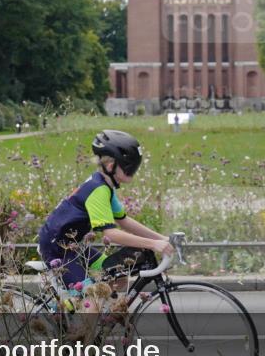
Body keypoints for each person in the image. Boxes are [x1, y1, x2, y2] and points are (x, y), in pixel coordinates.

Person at [37, 130, 172, 311]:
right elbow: (112, 234)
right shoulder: (99, 189)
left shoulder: (105, 185)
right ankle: (77, 312)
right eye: (129, 166)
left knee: (119, 278)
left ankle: (74, 305)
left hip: (74, 245)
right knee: (91, 303)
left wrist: (163, 239)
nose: (133, 171)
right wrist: (153, 244)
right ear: (110, 165)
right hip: (58, 249)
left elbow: (124, 221)